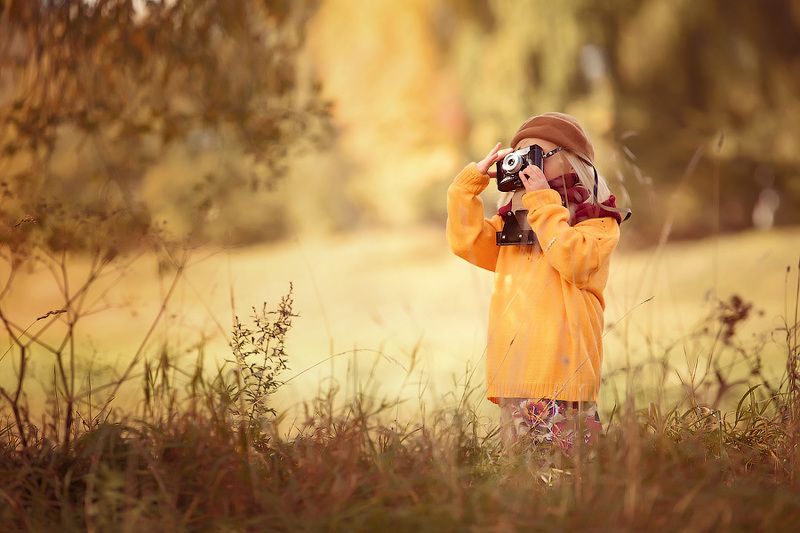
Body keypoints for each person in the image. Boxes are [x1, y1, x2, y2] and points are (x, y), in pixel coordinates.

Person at [445, 112, 626, 457]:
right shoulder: (515, 224)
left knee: (571, 479)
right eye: (519, 157)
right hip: (515, 377)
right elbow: (466, 241)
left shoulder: (598, 222)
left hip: (564, 378)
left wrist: (543, 202)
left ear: (571, 160)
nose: (527, 167)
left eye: (537, 157)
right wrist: (467, 186)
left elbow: (572, 259)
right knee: (521, 484)